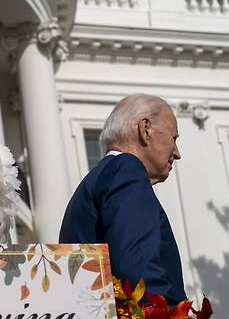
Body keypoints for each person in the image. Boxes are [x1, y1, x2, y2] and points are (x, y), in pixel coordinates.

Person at [59, 94, 185, 305]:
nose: (177, 153)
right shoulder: (127, 168)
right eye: (174, 138)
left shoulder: (101, 177)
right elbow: (138, 269)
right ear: (145, 129)